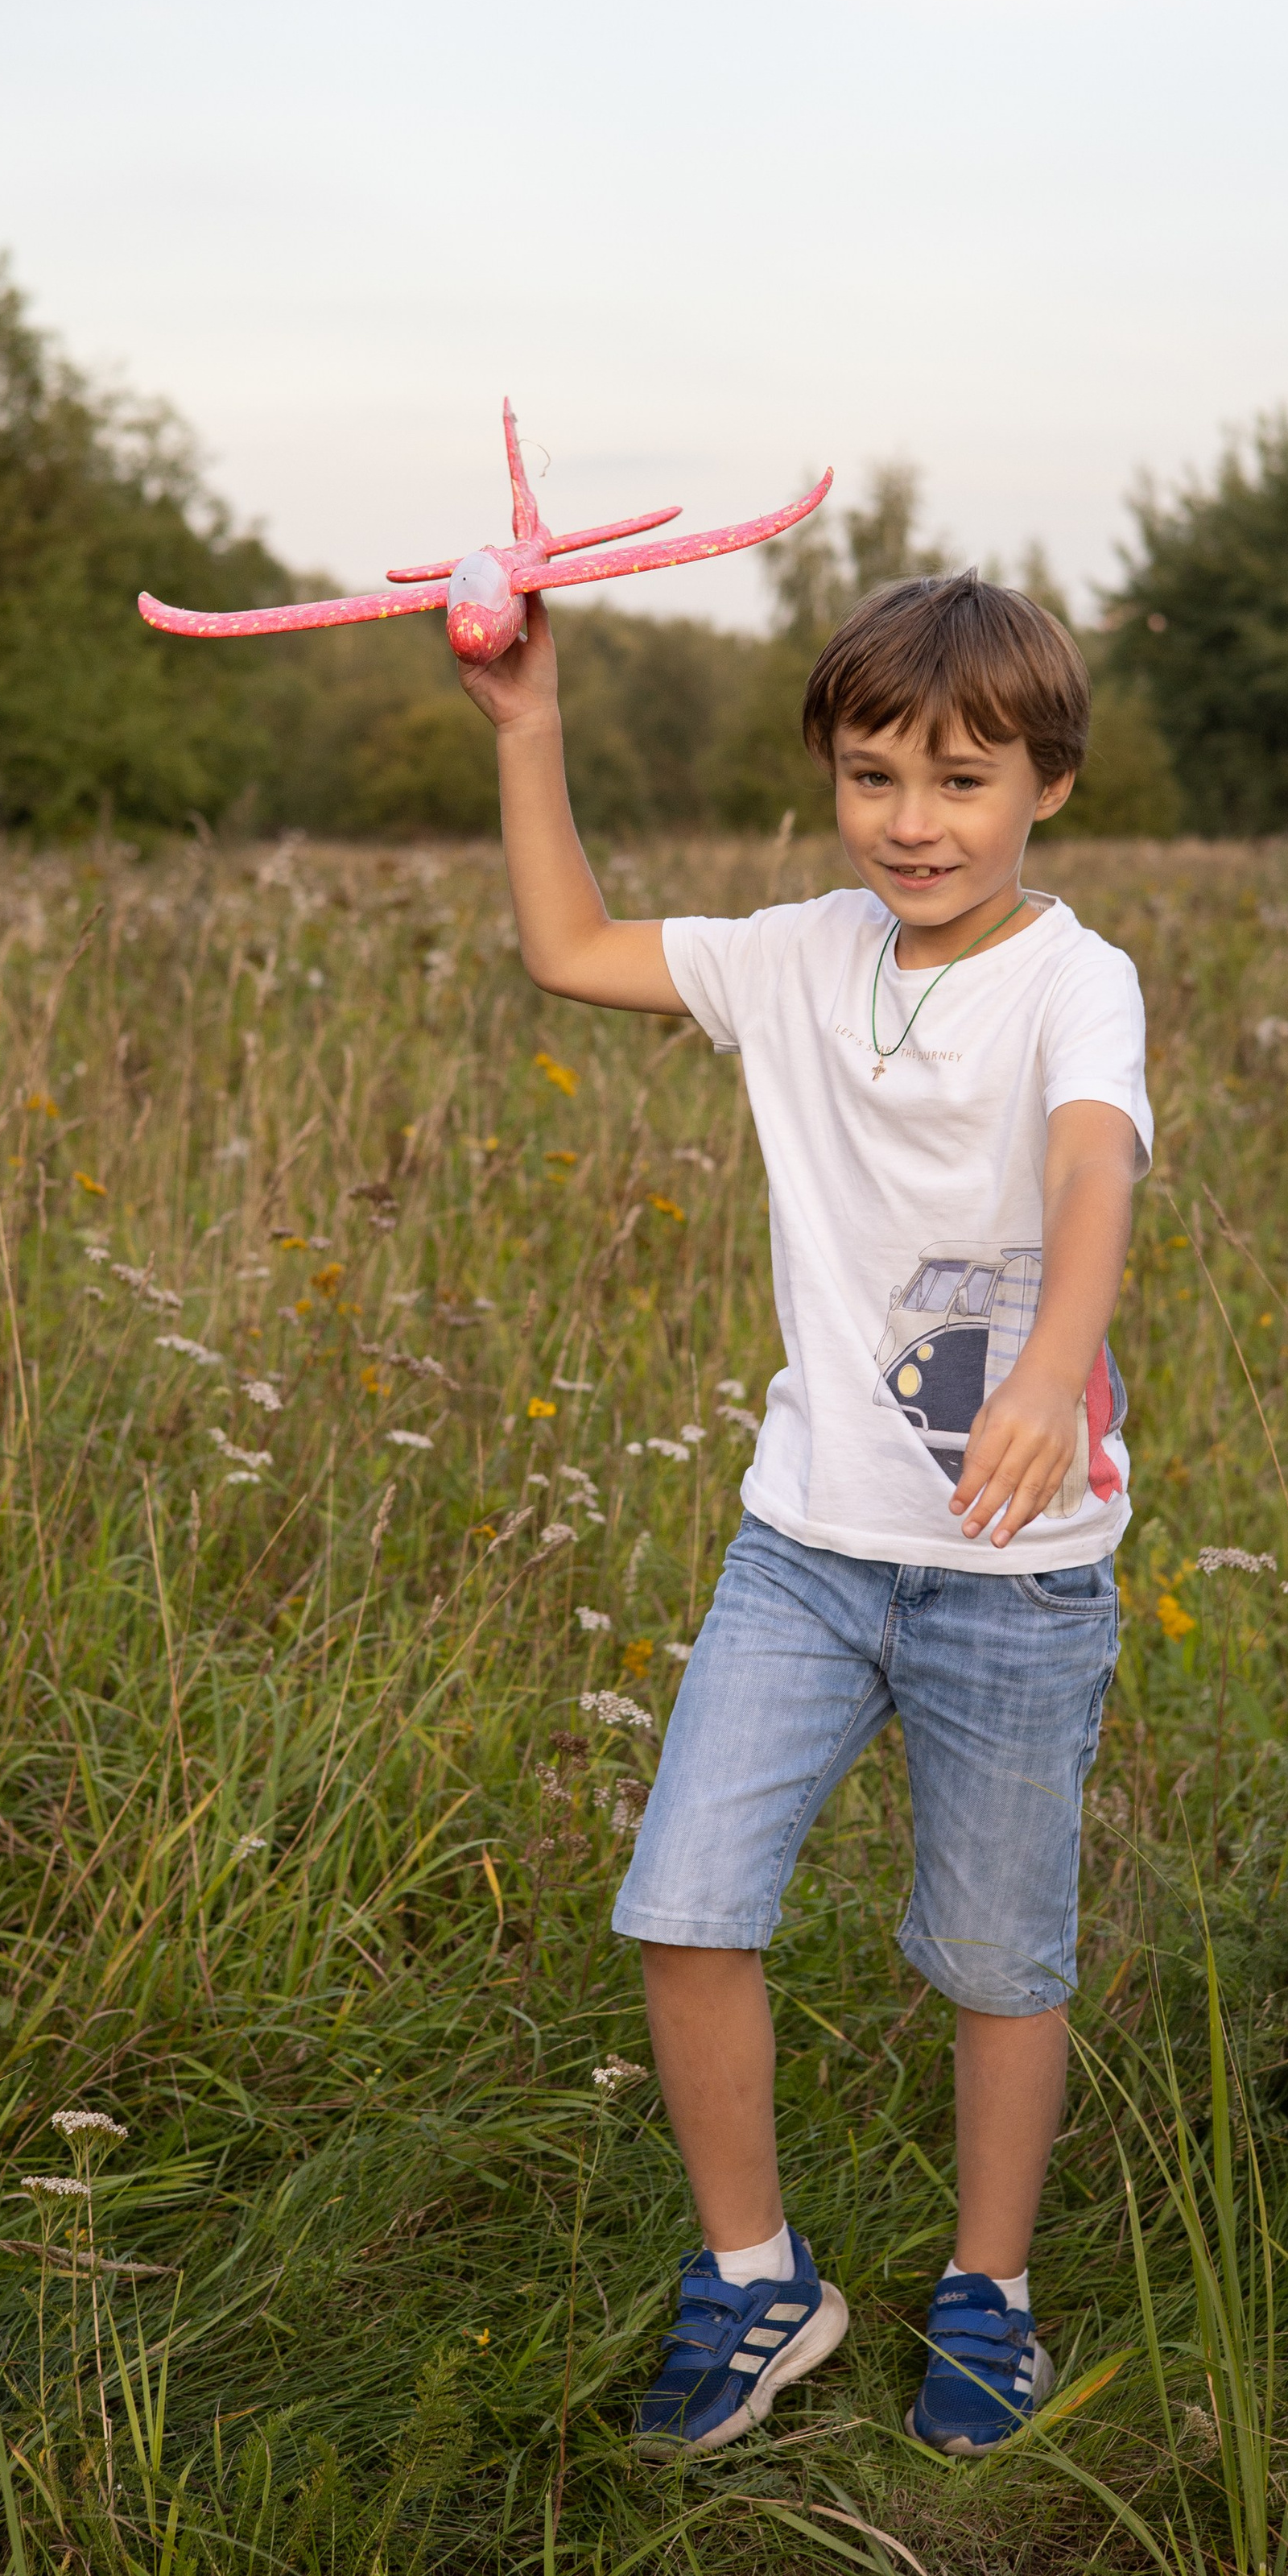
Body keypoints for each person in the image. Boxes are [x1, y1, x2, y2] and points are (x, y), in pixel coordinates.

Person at [458, 566, 1150, 2458]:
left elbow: (1091, 1169)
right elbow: (567, 947)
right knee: (683, 1906)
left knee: (998, 1965)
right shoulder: (789, 955)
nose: (912, 824)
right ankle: (758, 2284)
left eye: (960, 782)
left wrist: (1038, 1371)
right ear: (828, 783)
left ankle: (984, 2296)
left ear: (1046, 791)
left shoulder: (1072, 981)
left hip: (1011, 1580)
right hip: (804, 1547)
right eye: (871, 778)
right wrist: (529, 725)